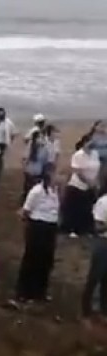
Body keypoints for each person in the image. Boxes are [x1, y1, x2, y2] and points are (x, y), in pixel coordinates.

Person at [11, 163, 59, 307]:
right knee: (32, 259)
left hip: (50, 227)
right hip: (38, 227)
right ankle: (24, 292)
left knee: (46, 260)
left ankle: (40, 291)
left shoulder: (55, 191)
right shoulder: (37, 191)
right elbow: (26, 210)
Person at [61, 134, 101, 238]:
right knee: (76, 208)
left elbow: (97, 168)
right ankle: (73, 229)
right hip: (77, 185)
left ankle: (86, 229)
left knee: (88, 209)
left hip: (91, 185)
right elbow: (78, 172)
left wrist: (95, 181)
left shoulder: (95, 154)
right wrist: (88, 182)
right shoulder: (78, 155)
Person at [82, 187, 107, 327]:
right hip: (103, 243)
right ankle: (85, 312)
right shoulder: (103, 202)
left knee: (106, 280)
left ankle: (103, 311)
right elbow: (97, 227)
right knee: (94, 277)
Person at [22, 128, 53, 201]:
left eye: (42, 137)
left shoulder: (45, 148)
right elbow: (25, 159)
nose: (41, 139)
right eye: (39, 137)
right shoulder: (31, 147)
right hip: (30, 173)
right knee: (29, 191)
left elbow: (46, 161)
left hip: (38, 173)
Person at [0, 107, 18, 180]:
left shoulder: (8, 122)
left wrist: (10, 141)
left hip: (2, 143)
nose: (1, 116)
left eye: (2, 115)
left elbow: (13, 133)